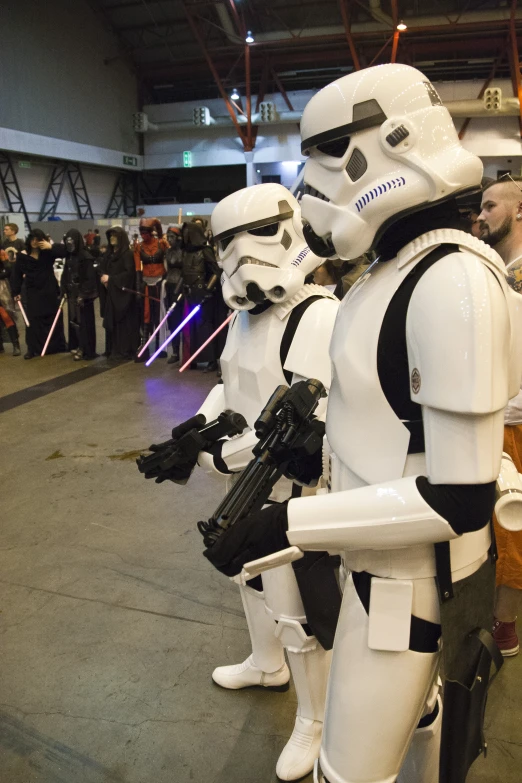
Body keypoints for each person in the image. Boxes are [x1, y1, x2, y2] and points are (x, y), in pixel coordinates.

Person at [201, 64, 522, 783]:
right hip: (380, 572)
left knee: (344, 772)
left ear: (385, 146)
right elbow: (384, 419)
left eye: (322, 158)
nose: (310, 188)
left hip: (407, 590)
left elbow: (458, 497)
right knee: (422, 722)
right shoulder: (391, 274)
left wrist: (291, 527)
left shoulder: (451, 279)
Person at [142, 183, 340, 781]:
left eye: (249, 237)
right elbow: (232, 383)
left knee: (297, 610)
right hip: (248, 479)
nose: (236, 254)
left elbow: (302, 419)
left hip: (301, 489)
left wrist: (217, 456)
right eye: (225, 242)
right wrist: (195, 429)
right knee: (248, 578)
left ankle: (315, 716)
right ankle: (264, 663)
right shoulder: (247, 318)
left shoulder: (319, 314)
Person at [477, 175, 522, 656]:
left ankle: (504, 623)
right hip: (497, 416)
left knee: (511, 532)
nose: (482, 215)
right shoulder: (501, 272)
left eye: (491, 207)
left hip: (514, 422)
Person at [10, 229, 67, 359]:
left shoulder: (48, 252)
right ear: (29, 240)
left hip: (50, 289)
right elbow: (16, 275)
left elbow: (66, 252)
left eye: (38, 239)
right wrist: (16, 291)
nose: (35, 242)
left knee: (53, 317)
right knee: (32, 320)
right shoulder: (22, 256)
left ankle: (57, 346)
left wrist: (51, 246)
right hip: (32, 291)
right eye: (33, 239)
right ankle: (32, 348)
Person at [98, 226, 138, 360]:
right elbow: (102, 268)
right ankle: (112, 349)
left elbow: (129, 273)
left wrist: (112, 279)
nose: (112, 238)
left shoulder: (127, 254)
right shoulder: (109, 254)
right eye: (110, 236)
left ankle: (124, 350)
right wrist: (104, 278)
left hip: (123, 295)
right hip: (111, 293)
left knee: (124, 324)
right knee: (111, 322)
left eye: (115, 236)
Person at [60, 229, 98, 361]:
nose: (70, 244)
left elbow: (89, 278)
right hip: (72, 293)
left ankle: (85, 348)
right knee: (74, 321)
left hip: (82, 294)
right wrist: (63, 288)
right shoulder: (69, 256)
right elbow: (66, 274)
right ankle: (78, 345)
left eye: (72, 241)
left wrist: (83, 294)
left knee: (83, 322)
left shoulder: (85, 256)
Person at [134, 218, 168, 362]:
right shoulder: (138, 247)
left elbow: (169, 260)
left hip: (161, 283)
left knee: (160, 314)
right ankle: (144, 347)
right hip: (147, 283)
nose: (143, 235)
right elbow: (137, 268)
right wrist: (138, 286)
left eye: (145, 232)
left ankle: (161, 347)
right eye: (141, 232)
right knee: (146, 315)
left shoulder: (161, 244)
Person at [164, 225, 184, 364]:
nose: (169, 240)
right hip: (170, 287)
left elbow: (185, 271)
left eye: (172, 237)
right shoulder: (168, 252)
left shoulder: (183, 251)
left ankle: (187, 353)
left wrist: (180, 288)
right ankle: (175, 351)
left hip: (181, 287)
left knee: (184, 321)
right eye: (168, 237)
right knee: (172, 320)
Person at [0, 251, 21, 356]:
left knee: (6, 316)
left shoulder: (1, 253)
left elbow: (9, 270)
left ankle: (16, 345)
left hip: (2, 289)